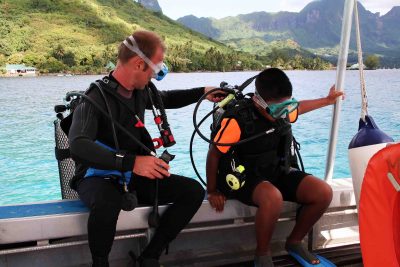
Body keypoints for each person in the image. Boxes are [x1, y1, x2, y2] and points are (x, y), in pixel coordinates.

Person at [67, 30, 224, 267]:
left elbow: (167, 99)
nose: (156, 74)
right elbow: (78, 146)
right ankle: (100, 263)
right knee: (107, 203)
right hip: (96, 176)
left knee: (191, 192)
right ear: (139, 64)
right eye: (156, 68)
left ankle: (149, 256)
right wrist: (132, 162)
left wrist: (203, 92)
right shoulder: (94, 98)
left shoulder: (141, 91)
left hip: (133, 174)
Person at [206, 68, 344, 267]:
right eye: (276, 109)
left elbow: (300, 108)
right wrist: (212, 190)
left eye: (286, 106)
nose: (282, 114)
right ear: (257, 101)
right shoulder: (237, 121)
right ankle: (262, 255)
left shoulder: (283, 110)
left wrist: (327, 100)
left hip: (274, 171)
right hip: (243, 178)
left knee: (322, 192)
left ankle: (295, 242)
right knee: (273, 198)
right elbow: (214, 154)